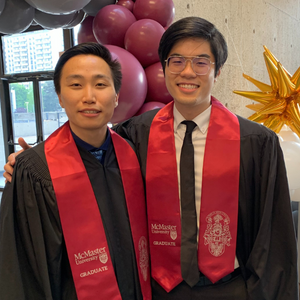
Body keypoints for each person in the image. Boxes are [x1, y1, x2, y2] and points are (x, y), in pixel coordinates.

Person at [3, 17, 298, 300]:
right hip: (157, 291)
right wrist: (35, 164)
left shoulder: (257, 142)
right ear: (165, 67)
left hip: (231, 289)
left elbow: (274, 236)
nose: (187, 72)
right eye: (177, 61)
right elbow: (91, 159)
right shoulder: (135, 135)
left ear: (217, 71)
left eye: (201, 62)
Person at [0, 43, 151, 300]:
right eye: (76, 85)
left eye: (101, 84)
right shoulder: (34, 171)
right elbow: (22, 268)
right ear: (59, 96)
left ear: (116, 96)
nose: (89, 97)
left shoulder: (133, 153)